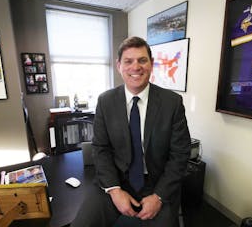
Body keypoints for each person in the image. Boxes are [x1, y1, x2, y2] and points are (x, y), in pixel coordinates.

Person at [71, 36, 191, 227]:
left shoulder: (172, 103)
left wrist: (159, 196)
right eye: (128, 61)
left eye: (142, 60)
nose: (136, 67)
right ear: (119, 66)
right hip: (115, 180)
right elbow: (101, 148)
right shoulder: (105, 101)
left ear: (151, 64)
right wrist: (115, 190)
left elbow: (180, 154)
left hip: (157, 184)